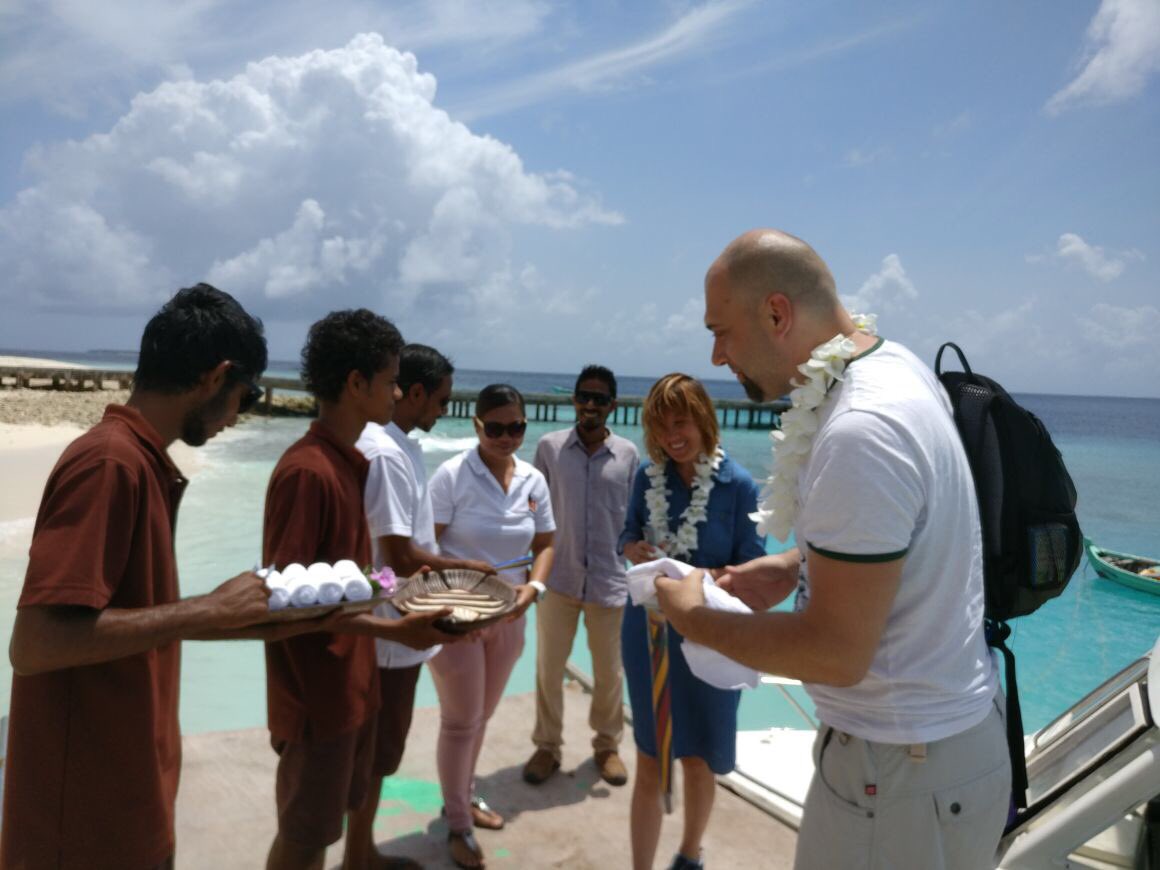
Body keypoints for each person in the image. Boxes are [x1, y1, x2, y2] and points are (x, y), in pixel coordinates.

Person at [655, 229, 1010, 870]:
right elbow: (909, 527)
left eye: (721, 331)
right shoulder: (895, 367)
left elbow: (836, 653)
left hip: (902, 769)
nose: (715, 355)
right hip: (933, 752)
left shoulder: (860, 430)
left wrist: (690, 617)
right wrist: (796, 565)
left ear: (776, 313)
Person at [1, 284, 280, 869]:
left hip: (123, 793)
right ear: (216, 376)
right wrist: (208, 608)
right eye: (247, 396)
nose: (239, 416)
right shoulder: (111, 463)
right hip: (82, 823)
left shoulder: (141, 461)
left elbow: (132, 621)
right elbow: (35, 644)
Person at [263, 310, 457, 870]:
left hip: (351, 682)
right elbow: (292, 610)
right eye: (392, 379)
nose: (398, 393)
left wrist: (405, 585)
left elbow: (351, 579)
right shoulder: (310, 472)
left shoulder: (347, 463)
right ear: (356, 384)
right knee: (304, 838)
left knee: (330, 823)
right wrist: (397, 628)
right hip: (316, 694)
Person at [354, 343, 493, 864]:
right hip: (393, 626)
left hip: (397, 619)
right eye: (440, 400)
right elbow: (398, 553)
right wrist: (467, 577)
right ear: (414, 393)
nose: (443, 410)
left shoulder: (403, 445)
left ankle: (358, 850)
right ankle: (360, 854)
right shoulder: (386, 452)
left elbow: (413, 546)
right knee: (377, 756)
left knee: (378, 753)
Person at [619, 373, 765, 870]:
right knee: (648, 751)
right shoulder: (646, 477)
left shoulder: (739, 486)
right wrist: (633, 548)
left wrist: (697, 579)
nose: (669, 437)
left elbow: (752, 572)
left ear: (703, 420)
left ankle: (688, 855)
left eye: (679, 423)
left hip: (712, 636)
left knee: (699, 754)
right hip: (647, 633)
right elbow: (627, 534)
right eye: (659, 427)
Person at [427, 384, 556, 869]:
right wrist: (460, 608)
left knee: (480, 717)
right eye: (495, 428)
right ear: (477, 425)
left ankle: (462, 795)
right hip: (458, 621)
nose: (506, 437)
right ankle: (458, 824)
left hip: (511, 617)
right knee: (460, 722)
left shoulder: (532, 480)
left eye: (516, 427)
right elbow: (426, 550)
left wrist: (534, 590)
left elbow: (545, 543)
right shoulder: (451, 476)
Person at [523, 364, 639, 787]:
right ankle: (547, 746)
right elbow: (533, 509)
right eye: (583, 396)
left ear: (613, 405)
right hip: (559, 578)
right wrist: (528, 562)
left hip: (609, 581)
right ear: (573, 399)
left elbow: (635, 518)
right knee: (548, 668)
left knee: (610, 674)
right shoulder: (550, 448)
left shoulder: (628, 454)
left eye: (599, 398)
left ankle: (607, 747)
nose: (590, 405)